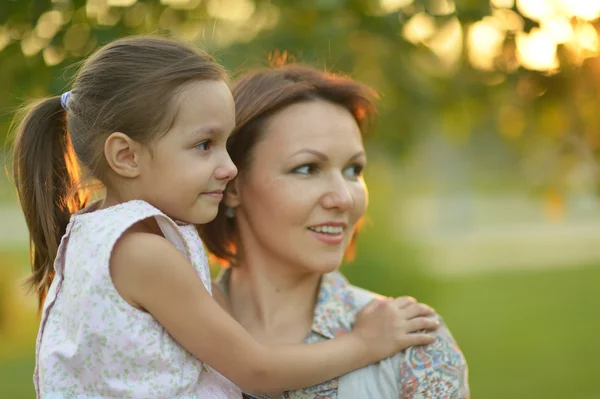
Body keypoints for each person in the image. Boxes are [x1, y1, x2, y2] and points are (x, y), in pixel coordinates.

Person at [11, 36, 441, 398]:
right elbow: (257, 371)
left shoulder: (96, 234)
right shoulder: (143, 253)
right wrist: (367, 342)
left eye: (227, 145)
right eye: (205, 145)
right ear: (125, 155)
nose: (229, 167)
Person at [201, 65, 470, 399]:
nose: (344, 198)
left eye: (353, 170)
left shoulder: (413, 348)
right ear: (232, 186)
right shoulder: (163, 337)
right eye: (307, 168)